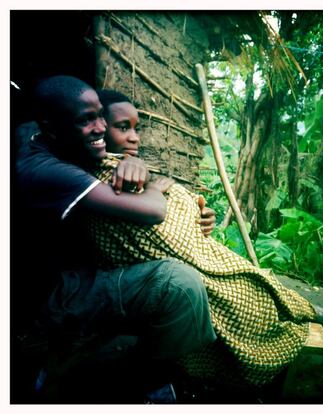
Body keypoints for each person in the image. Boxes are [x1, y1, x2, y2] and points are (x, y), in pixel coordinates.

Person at [79, 88, 323, 389]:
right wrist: (176, 203)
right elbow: (167, 235)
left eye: (136, 128)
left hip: (190, 261)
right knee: (255, 296)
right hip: (178, 271)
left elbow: (167, 218)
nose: (135, 138)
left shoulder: (126, 172)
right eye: (122, 127)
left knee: (263, 285)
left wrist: (194, 210)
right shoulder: (98, 181)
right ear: (98, 128)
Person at [14, 76, 217, 402]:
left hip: (75, 275)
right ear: (52, 127)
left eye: (100, 118)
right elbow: (152, 211)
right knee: (180, 283)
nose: (99, 129)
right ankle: (140, 385)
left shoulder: (44, 137)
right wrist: (152, 187)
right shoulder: (46, 169)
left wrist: (194, 217)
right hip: (53, 295)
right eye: (86, 120)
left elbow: (128, 170)